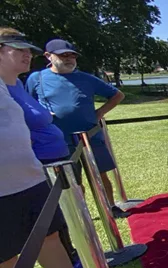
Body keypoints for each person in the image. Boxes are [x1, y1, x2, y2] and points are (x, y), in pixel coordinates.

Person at [0, 30, 94, 268]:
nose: (26, 54)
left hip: (31, 178)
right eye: (18, 50)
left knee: (49, 236)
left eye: (28, 50)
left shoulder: (16, 86)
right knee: (4, 254)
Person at [25, 38, 127, 215]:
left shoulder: (86, 78)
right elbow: (28, 103)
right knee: (73, 179)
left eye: (73, 56)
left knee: (100, 174)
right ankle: (83, 213)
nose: (69, 59)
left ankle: (110, 207)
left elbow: (117, 95)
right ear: (49, 56)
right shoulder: (37, 78)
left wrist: (100, 112)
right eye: (63, 55)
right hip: (61, 139)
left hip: (90, 135)